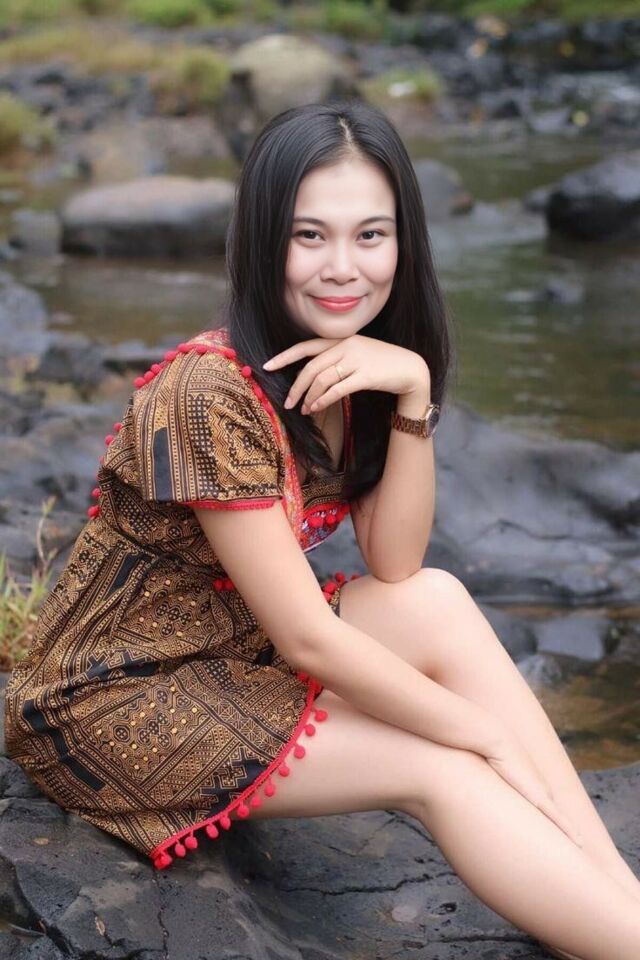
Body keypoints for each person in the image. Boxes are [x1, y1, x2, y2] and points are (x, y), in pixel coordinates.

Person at [3, 99, 640, 959]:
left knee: (437, 600)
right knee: (440, 765)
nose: (343, 268)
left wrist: (412, 389)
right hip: (114, 697)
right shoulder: (207, 392)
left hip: (227, 648)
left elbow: (396, 563)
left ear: (404, 242)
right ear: (263, 240)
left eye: (370, 235)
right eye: (310, 236)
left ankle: (613, 895)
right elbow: (308, 638)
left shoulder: (356, 365)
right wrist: (479, 731)